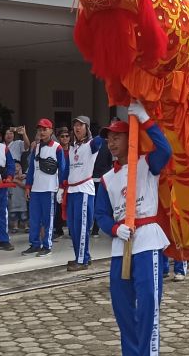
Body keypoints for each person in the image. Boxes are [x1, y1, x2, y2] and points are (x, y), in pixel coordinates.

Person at [95, 102, 173, 356]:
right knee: (122, 307)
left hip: (147, 240)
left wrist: (145, 118)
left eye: (117, 136)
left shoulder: (146, 164)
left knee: (148, 303)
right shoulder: (107, 179)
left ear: (130, 138)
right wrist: (115, 229)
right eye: (109, 138)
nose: (111, 142)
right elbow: (101, 214)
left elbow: (166, 149)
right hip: (122, 245)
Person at [65, 115, 104, 271]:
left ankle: (81, 261)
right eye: (75, 125)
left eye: (81, 125)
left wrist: (106, 129)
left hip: (84, 190)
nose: (77, 128)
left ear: (87, 128)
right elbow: (68, 169)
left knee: (82, 228)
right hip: (72, 190)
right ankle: (81, 256)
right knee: (73, 228)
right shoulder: (72, 147)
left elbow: (101, 139)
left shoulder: (91, 144)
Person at [24, 118, 67, 256]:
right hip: (36, 189)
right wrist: (28, 186)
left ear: (51, 131)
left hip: (49, 189)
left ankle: (47, 246)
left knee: (48, 219)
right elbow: (31, 169)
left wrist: (61, 187)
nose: (42, 132)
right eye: (40, 129)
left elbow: (63, 168)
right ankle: (35, 244)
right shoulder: (36, 147)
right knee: (34, 219)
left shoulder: (57, 147)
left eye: (45, 129)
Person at [9, 161, 28, 232]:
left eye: (17, 166)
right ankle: (15, 227)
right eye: (14, 167)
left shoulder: (23, 178)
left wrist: (16, 180)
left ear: (21, 168)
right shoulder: (10, 178)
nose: (15, 168)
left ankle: (26, 226)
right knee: (14, 215)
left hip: (22, 199)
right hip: (13, 200)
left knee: (24, 215)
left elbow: (25, 186)